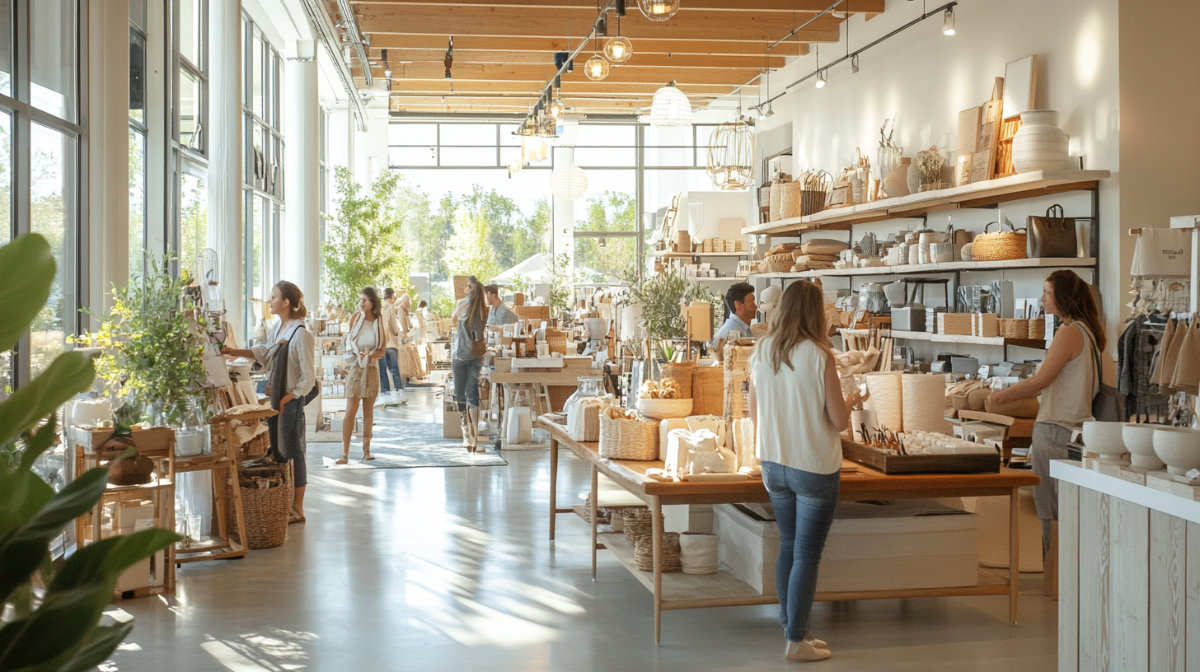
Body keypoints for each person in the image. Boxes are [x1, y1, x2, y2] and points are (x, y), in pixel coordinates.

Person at [748, 280, 857, 663]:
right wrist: (854, 398)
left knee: (789, 547)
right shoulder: (820, 355)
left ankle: (791, 627)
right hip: (812, 466)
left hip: (773, 464)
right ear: (816, 313)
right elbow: (840, 421)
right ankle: (796, 639)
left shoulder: (762, 350)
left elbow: (753, 414)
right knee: (807, 554)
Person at [989, 270, 1105, 550]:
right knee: (1065, 512)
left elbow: (1041, 381)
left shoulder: (1069, 333)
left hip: (1055, 431)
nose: (1042, 299)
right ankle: (1061, 580)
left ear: (1063, 298)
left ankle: (1053, 581)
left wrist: (1003, 395)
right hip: (1075, 432)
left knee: (1051, 514)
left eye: (1047, 293)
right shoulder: (1089, 332)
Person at [221, 280, 315, 524]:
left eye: (274, 297)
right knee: (280, 450)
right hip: (279, 400)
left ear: (286, 302)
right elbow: (265, 352)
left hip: (289, 401)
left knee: (295, 451)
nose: (269, 301)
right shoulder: (279, 328)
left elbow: (308, 378)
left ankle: (299, 508)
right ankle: (287, 503)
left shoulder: (301, 333)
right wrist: (233, 351)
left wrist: (288, 396)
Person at [337, 287, 387, 464]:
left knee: (368, 412)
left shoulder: (379, 322)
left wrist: (371, 355)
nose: (361, 302)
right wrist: (359, 355)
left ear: (372, 302)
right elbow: (349, 342)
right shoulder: (355, 319)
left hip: (372, 369)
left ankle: (366, 450)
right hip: (356, 368)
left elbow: (382, 350)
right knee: (350, 410)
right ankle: (344, 453)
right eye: (361, 299)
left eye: (365, 300)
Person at [452, 276, 488, 452]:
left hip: (459, 355)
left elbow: (453, 319)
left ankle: (465, 436)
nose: (465, 288)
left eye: (468, 286)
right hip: (476, 355)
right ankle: (475, 439)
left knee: (460, 394)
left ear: (471, 289)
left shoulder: (461, 304)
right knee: (472, 392)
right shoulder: (483, 309)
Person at [378, 288, 407, 406]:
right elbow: (394, 326)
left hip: (382, 344)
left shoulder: (380, 309)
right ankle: (399, 393)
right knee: (394, 369)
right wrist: (397, 332)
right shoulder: (391, 308)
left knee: (382, 370)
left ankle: (385, 394)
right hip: (392, 344)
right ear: (393, 297)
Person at [713, 282, 757, 351]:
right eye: (752, 302)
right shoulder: (731, 334)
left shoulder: (744, 329)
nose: (755, 306)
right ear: (738, 305)